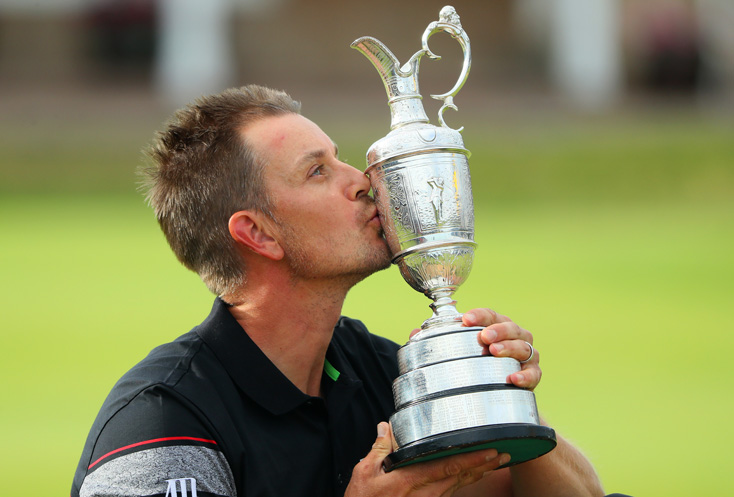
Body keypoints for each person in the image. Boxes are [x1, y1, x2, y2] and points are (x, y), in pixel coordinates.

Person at [71, 85, 605, 497]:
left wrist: (498, 401)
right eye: (318, 172)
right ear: (258, 233)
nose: (364, 181)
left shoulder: (380, 374)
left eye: (339, 157)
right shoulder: (165, 426)